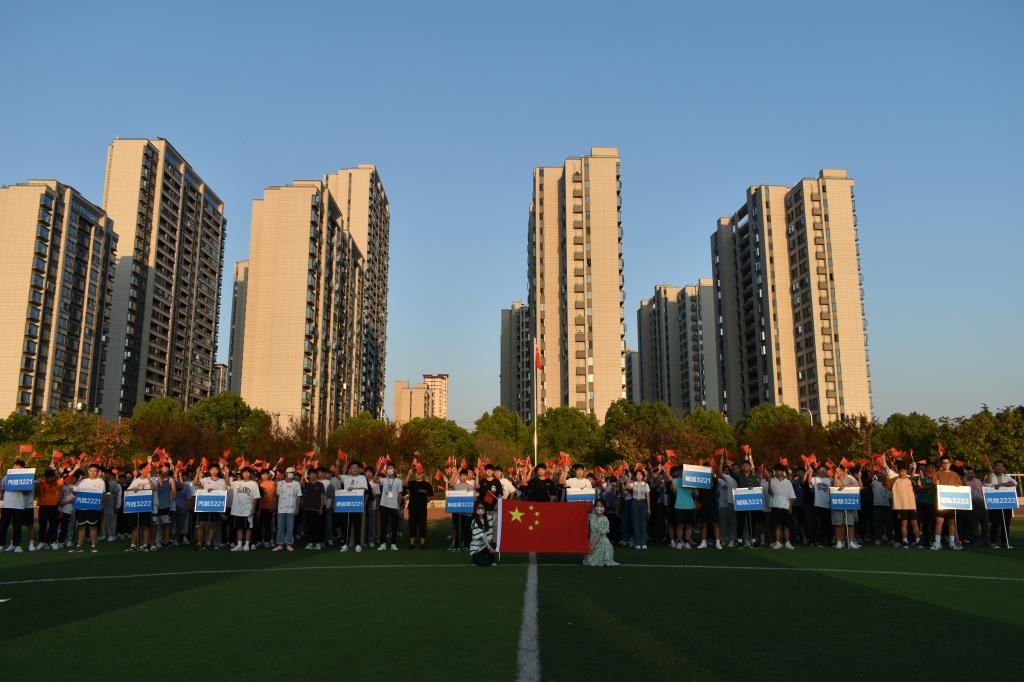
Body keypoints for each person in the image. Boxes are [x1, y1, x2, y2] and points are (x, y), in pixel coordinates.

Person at [883, 457, 924, 548]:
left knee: (914, 523)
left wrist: (919, 486)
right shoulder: (894, 480)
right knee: (904, 523)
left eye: (905, 471)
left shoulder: (911, 479)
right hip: (901, 506)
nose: (903, 473)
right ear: (898, 471)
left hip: (912, 505)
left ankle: (918, 540)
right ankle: (905, 541)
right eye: (902, 471)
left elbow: (918, 489)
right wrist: (886, 477)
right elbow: (886, 485)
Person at [70, 462, 106, 553]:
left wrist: (101, 505)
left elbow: (102, 495)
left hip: (93, 507)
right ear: (88, 471)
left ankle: (93, 546)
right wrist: (75, 487)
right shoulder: (83, 481)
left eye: (95, 471)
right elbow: (74, 491)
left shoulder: (101, 481)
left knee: (93, 526)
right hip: (82, 507)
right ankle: (79, 546)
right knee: (81, 526)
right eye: (91, 470)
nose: (93, 472)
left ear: (97, 472)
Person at [931, 456, 963, 550]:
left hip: (952, 502)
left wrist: (958, 486)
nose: (945, 464)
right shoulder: (937, 473)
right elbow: (933, 486)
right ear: (941, 464)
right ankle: (937, 543)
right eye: (944, 463)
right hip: (941, 502)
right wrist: (936, 484)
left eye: (947, 462)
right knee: (939, 522)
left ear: (950, 463)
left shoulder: (955, 474)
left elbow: (960, 487)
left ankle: (952, 543)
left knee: (952, 522)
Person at [984, 460, 1017, 549]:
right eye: (997, 466)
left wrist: (1001, 484)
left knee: (1006, 523)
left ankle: (1005, 542)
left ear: (1004, 468)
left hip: (1006, 502)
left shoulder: (1006, 477)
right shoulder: (989, 475)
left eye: (1001, 466)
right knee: (995, 523)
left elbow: (1014, 483)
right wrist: (990, 473)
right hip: (994, 502)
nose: (1000, 468)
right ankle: (993, 542)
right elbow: (987, 483)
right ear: (994, 467)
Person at [194, 463, 228, 551]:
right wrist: (197, 473)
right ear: (209, 471)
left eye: (216, 469)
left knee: (212, 525)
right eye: (212, 469)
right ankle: (199, 543)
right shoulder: (205, 479)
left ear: (219, 470)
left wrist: (214, 491)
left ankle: (208, 543)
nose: (214, 471)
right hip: (204, 504)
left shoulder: (222, 481)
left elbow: (223, 493)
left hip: (215, 505)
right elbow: (195, 483)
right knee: (201, 524)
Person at [1, 458, 31, 552]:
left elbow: (27, 492)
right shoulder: (6, 477)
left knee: (17, 527)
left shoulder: (25, 478)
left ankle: (17, 545)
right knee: (3, 526)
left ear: (22, 468)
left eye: (17, 466)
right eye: (14, 466)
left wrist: (20, 489)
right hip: (7, 505)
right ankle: (1, 545)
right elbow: (2, 489)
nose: (15, 468)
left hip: (18, 506)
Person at [229, 467, 261, 551]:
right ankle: (239, 545)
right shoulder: (236, 483)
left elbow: (255, 497)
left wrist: (253, 508)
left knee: (248, 527)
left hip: (248, 509)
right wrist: (226, 472)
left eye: (248, 472)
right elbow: (227, 483)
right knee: (239, 527)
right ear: (241, 474)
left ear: (250, 474)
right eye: (244, 472)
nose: (246, 474)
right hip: (237, 509)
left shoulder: (254, 484)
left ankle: (246, 545)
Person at [339, 461, 368, 552]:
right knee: (346, 525)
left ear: (359, 469)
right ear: (350, 469)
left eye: (356, 467)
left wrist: (353, 489)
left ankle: (358, 544)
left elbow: (365, 489)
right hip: (347, 504)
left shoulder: (362, 477)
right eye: (352, 467)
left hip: (357, 504)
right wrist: (337, 466)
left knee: (357, 525)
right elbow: (336, 475)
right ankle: (345, 544)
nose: (354, 469)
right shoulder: (346, 477)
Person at [831, 465, 862, 549]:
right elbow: (835, 485)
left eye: (839, 471)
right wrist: (835, 476)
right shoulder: (834, 478)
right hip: (838, 503)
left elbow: (858, 487)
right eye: (836, 471)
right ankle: (839, 542)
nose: (838, 472)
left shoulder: (850, 478)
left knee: (850, 524)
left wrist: (845, 487)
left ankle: (851, 542)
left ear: (844, 470)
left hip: (849, 503)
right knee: (838, 524)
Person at [126, 469, 156, 551]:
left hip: (147, 505)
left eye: (148, 471)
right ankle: (133, 545)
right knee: (135, 526)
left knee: (146, 526)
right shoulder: (136, 480)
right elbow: (128, 490)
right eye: (145, 470)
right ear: (141, 471)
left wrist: (149, 480)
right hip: (136, 506)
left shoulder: (150, 480)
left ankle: (145, 545)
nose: (147, 472)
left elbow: (154, 489)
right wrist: (133, 489)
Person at [273, 467, 302, 551]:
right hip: (281, 509)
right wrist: (275, 486)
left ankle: (289, 544)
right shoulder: (280, 483)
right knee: (280, 528)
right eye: (289, 472)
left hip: (291, 509)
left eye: (293, 473)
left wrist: (297, 508)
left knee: (290, 528)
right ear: (286, 473)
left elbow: (298, 496)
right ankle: (280, 544)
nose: (291, 474)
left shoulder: (296, 483)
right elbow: (276, 495)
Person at [667, 467, 697, 549]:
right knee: (680, 525)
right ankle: (679, 542)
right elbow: (673, 491)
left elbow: (696, 494)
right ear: (681, 472)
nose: (683, 473)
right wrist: (672, 481)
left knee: (689, 526)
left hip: (690, 506)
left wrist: (695, 487)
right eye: (682, 471)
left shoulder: (691, 481)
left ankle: (687, 542)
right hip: (679, 505)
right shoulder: (676, 480)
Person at [767, 464, 796, 549]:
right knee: (777, 525)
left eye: (779, 470)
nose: (777, 472)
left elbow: (791, 496)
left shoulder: (788, 482)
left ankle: (787, 542)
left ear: (783, 471)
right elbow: (770, 493)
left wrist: (790, 507)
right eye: (776, 471)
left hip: (785, 506)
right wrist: (769, 482)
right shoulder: (772, 480)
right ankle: (778, 542)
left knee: (786, 526)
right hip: (775, 505)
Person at [803, 464, 832, 546]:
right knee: (816, 523)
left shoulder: (829, 480)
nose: (823, 471)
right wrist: (810, 472)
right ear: (818, 471)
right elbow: (809, 482)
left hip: (827, 504)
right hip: (817, 504)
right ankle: (817, 540)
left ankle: (826, 540)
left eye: (825, 470)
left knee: (826, 524)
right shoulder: (815, 478)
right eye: (821, 469)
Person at [583, 500, 618, 566]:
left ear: (604, 507)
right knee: (589, 562)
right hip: (591, 539)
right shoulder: (591, 515)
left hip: (601, 541)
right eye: (597, 506)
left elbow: (599, 534)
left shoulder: (605, 519)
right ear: (594, 507)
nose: (599, 508)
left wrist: (592, 546)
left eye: (601, 506)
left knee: (592, 562)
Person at [405, 467, 433, 549]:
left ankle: (422, 544)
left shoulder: (427, 484)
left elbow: (431, 495)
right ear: (414, 474)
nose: (419, 475)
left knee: (422, 526)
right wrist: (408, 475)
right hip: (412, 509)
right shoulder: (411, 483)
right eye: (417, 473)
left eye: (420, 473)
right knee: (412, 526)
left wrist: (426, 501)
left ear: (423, 474)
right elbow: (404, 484)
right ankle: (411, 544)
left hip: (422, 509)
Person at [378, 465, 403, 551]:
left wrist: (399, 506)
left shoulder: (398, 481)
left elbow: (400, 494)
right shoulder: (384, 480)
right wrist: (378, 469)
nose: (390, 470)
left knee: (394, 525)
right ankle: (383, 544)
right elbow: (374, 480)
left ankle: (393, 544)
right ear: (386, 470)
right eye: (388, 468)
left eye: (391, 468)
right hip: (383, 505)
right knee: (383, 525)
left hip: (394, 506)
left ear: (394, 470)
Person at [448, 468, 475, 551]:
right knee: (458, 530)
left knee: (467, 530)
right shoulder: (456, 486)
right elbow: (452, 484)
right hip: (458, 513)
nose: (463, 477)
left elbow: (473, 498)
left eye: (465, 475)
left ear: (467, 476)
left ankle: (467, 545)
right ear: (459, 477)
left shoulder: (470, 487)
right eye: (461, 476)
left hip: (468, 513)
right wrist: (458, 472)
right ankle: (457, 546)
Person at [962, 467, 989, 547]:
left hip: (982, 504)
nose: (971, 474)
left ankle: (986, 540)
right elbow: (963, 483)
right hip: (972, 504)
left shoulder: (978, 481)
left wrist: (986, 504)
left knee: (985, 524)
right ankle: (975, 540)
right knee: (974, 525)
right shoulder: (964, 481)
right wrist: (965, 475)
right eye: (969, 472)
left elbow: (983, 491)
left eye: (972, 472)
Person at [36, 469, 62, 550]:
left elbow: (63, 478)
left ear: (54, 476)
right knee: (42, 525)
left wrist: (56, 471)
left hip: (54, 506)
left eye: (51, 477)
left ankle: (53, 542)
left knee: (53, 525)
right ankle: (41, 542)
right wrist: (38, 485)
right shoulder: (42, 483)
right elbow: (38, 494)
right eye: (48, 477)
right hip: (43, 506)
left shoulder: (58, 482)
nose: (49, 479)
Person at [625, 469, 650, 550]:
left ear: (642, 476)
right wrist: (629, 478)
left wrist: (649, 508)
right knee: (635, 524)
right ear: (635, 476)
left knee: (643, 524)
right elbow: (626, 487)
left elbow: (648, 497)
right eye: (637, 474)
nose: (639, 476)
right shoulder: (633, 484)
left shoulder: (645, 485)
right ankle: (637, 543)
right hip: (634, 503)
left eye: (640, 474)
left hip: (643, 503)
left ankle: (644, 543)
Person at [152, 465, 176, 548]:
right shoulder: (154, 479)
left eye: (167, 469)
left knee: (167, 524)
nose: (165, 470)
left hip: (166, 505)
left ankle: (166, 541)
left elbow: (174, 491)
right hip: (155, 506)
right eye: (163, 468)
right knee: (156, 525)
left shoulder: (170, 479)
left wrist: (173, 498)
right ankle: (156, 542)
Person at [301, 468, 325, 550]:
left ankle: (318, 543)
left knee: (317, 526)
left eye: (313, 474)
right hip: (307, 508)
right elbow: (301, 484)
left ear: (316, 475)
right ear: (308, 475)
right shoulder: (307, 484)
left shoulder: (320, 484)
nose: (312, 475)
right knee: (308, 526)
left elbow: (322, 497)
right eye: (310, 474)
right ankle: (310, 543)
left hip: (317, 509)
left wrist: (321, 508)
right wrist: (303, 474)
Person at [717, 461, 737, 548]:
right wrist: (721, 463)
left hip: (733, 504)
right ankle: (723, 540)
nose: (727, 472)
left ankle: (732, 540)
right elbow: (719, 473)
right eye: (726, 470)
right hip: (722, 505)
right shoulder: (720, 480)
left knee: (732, 524)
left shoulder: (736, 479)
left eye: (729, 470)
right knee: (723, 524)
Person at [870, 469, 893, 545]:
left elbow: (890, 497)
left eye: (883, 474)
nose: (881, 475)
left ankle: (889, 539)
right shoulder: (875, 483)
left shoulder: (888, 484)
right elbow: (872, 477)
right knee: (877, 524)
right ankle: (878, 539)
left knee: (889, 524)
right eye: (880, 474)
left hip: (887, 506)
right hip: (878, 506)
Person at [256, 468, 276, 548]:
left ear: (269, 475)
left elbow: (275, 496)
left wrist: (273, 506)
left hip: (269, 507)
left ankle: (267, 541)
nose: (264, 476)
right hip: (260, 508)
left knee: (268, 525)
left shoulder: (273, 483)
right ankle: (259, 540)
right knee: (259, 525)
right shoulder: (259, 483)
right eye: (262, 474)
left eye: (265, 474)